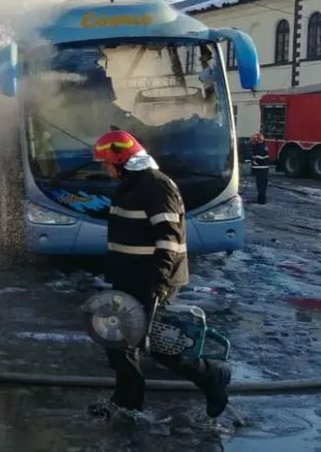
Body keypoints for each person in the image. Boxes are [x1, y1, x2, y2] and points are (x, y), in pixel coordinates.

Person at [91, 129, 231, 420]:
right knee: (117, 342)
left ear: (121, 160)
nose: (104, 169)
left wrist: (160, 283)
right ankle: (127, 403)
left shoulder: (156, 185)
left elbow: (169, 239)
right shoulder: (130, 185)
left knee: (159, 346)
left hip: (151, 279)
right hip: (128, 278)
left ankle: (212, 375)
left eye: (106, 162)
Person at [249, 133, 270, 205]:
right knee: (263, 186)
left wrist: (252, 159)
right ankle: (261, 200)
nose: (253, 142)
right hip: (264, 170)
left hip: (260, 170)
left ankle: (261, 201)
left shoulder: (259, 148)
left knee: (260, 186)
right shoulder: (263, 146)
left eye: (254, 141)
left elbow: (258, 159)